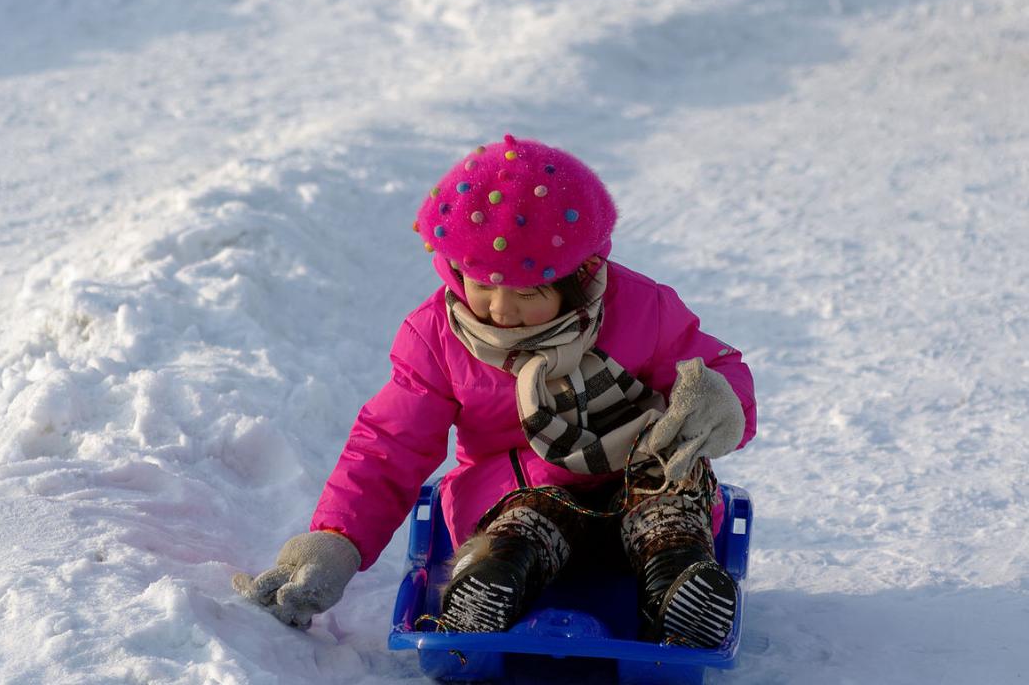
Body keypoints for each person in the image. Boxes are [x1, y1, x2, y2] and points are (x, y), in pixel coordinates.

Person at [233, 134, 756, 648]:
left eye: (528, 293)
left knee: (672, 500)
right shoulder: (437, 336)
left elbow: (714, 365)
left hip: (639, 476)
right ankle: (491, 583)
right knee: (525, 523)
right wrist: (336, 541)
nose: (501, 311)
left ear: (580, 276)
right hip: (521, 495)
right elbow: (391, 444)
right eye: (482, 285)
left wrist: (718, 401)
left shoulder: (643, 310)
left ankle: (679, 585)